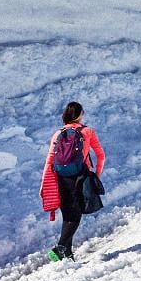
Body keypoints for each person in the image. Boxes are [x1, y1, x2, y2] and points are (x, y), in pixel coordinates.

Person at [40, 101, 106, 261]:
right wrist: (96, 174)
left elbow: (50, 160)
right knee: (75, 216)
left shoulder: (58, 134)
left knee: (68, 215)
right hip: (80, 177)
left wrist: (44, 182)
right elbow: (101, 155)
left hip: (61, 178)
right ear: (79, 115)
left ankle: (68, 257)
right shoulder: (87, 131)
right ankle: (60, 248)